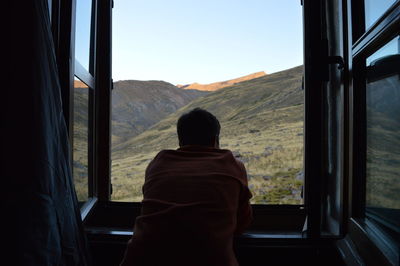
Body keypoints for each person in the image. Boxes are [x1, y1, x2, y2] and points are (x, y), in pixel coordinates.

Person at [120, 108, 253, 266]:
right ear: (215, 140)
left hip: (141, 258)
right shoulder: (231, 165)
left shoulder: (159, 162)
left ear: (180, 140)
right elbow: (242, 223)